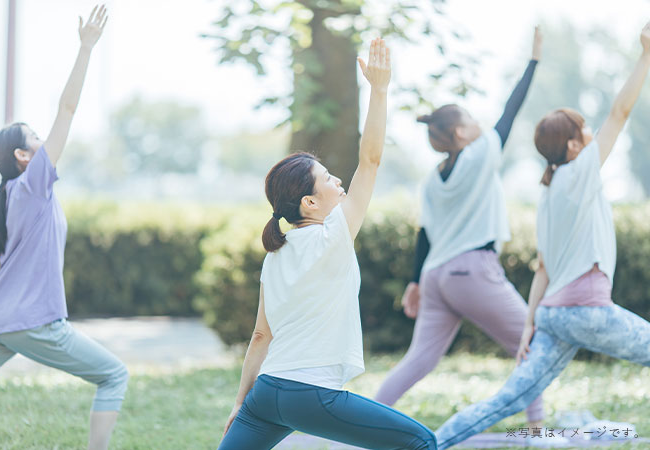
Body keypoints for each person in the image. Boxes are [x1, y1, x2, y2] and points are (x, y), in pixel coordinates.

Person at [434, 21, 650, 450]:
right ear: (572, 146)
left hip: (554, 315)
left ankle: (429, 443)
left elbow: (544, 269)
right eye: (584, 132)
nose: (593, 136)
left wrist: (530, 324)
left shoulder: (549, 192)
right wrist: (645, 55)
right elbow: (619, 114)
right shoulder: (580, 172)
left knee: (506, 400)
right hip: (585, 311)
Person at [218, 38, 436, 450]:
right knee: (421, 442)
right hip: (310, 394)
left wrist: (240, 404)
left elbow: (260, 337)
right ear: (310, 202)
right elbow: (370, 160)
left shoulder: (277, 252)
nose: (340, 182)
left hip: (265, 396)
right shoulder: (333, 235)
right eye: (329, 179)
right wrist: (380, 90)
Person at [0, 6, 127, 450]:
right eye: (35, 137)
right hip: (34, 321)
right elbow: (69, 107)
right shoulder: (33, 184)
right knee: (114, 374)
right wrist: (86, 47)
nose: (43, 141)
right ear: (24, 157)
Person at [374, 27, 544, 428]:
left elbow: (424, 233)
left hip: (436, 276)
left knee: (417, 362)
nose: (479, 123)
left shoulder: (432, 178)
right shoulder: (479, 154)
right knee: (532, 343)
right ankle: (539, 429)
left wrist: (415, 281)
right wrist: (533, 61)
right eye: (470, 119)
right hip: (471, 270)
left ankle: (364, 428)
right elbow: (510, 111)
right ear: (461, 133)